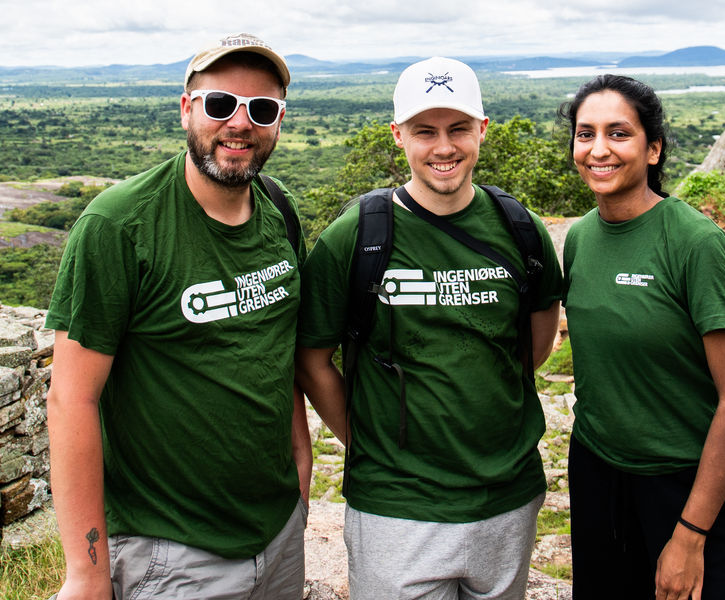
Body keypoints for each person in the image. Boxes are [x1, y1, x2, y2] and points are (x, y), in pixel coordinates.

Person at [45, 33, 310, 600]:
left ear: (280, 121)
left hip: (280, 531)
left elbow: (275, 355)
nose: (240, 122)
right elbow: (71, 399)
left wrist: (301, 468)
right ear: (187, 108)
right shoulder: (120, 226)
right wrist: (86, 572)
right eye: (220, 104)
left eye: (261, 109)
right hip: (172, 550)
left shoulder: (280, 210)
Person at [295, 56, 563, 600]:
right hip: (397, 507)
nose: (444, 147)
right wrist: (365, 440)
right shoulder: (360, 234)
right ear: (398, 136)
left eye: (459, 128)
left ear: (482, 130)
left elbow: (534, 343)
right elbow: (312, 357)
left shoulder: (519, 229)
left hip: (507, 497)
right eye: (425, 131)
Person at [560, 74, 725, 600]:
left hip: (685, 484)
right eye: (585, 134)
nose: (599, 150)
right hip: (599, 473)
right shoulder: (579, 238)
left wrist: (690, 535)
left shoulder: (697, 245)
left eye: (619, 133)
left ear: (653, 148)